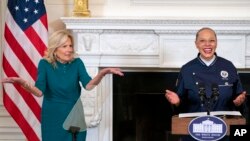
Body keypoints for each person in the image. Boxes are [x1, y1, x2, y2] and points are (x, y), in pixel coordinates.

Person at [1, 29, 124, 141]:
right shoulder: (45, 64)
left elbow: (88, 85)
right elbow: (39, 92)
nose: (69, 49)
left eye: (70, 46)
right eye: (65, 46)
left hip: (74, 113)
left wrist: (102, 73)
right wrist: (23, 83)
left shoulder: (77, 63)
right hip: (53, 116)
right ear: (55, 49)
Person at [165, 27, 247, 140]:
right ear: (196, 44)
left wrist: (239, 102)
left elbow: (239, 99)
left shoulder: (229, 66)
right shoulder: (187, 69)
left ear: (216, 43)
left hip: (225, 132)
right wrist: (177, 102)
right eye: (202, 41)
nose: (207, 44)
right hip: (193, 132)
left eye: (211, 40)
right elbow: (180, 108)